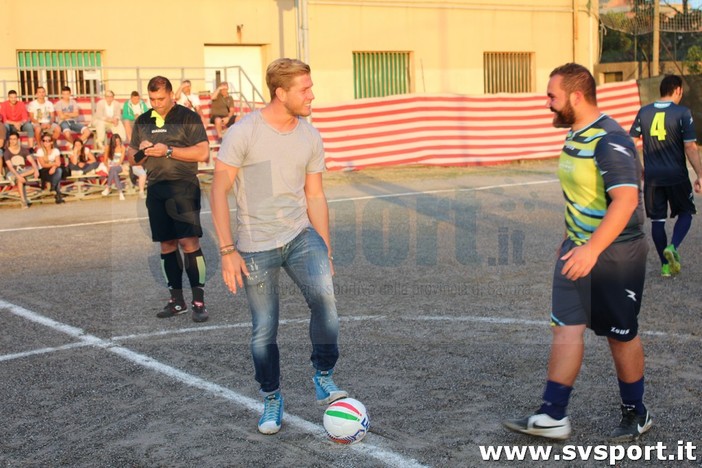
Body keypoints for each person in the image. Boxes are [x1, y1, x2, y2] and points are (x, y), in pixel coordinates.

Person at [503, 63, 650, 442]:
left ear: (576, 96)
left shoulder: (609, 139)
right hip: (578, 249)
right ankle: (553, 415)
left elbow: (625, 200)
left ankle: (637, 411)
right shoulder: (574, 135)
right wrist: (572, 237)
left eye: (552, 96)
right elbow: (582, 194)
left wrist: (592, 248)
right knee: (566, 329)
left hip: (614, 255)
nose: (547, 103)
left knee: (620, 335)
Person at [210, 58, 347, 435]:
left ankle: (323, 375)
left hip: (301, 236)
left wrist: (326, 250)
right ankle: (271, 397)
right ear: (280, 92)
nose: (312, 95)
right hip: (255, 246)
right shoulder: (244, 133)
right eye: (305, 89)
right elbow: (218, 191)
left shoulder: (310, 135)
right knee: (263, 329)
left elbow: (315, 196)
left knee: (327, 303)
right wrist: (226, 251)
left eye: (311, 87)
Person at [127, 75, 210, 323]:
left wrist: (169, 150)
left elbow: (203, 152)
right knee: (166, 245)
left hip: (183, 187)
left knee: (188, 242)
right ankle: (176, 301)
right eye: (152, 99)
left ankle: (198, 301)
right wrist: (142, 150)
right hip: (156, 189)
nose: (156, 103)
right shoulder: (143, 120)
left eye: (160, 99)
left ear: (171, 95)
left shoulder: (188, 117)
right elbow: (132, 158)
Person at [629, 75, 702, 277]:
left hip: (653, 178)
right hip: (676, 176)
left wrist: (639, 166)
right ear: (677, 90)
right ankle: (673, 247)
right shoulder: (682, 113)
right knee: (686, 213)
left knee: (657, 222)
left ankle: (665, 266)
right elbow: (690, 146)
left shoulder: (644, 112)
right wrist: (700, 174)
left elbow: (630, 143)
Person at [3, 131, 39, 208]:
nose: (12, 141)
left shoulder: (23, 150)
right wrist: (18, 176)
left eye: (14, 139)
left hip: (23, 171)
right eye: (11, 139)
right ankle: (23, 200)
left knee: (34, 169)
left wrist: (36, 170)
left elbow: (32, 161)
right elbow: (10, 167)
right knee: (19, 179)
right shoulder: (7, 152)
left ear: (18, 140)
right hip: (12, 172)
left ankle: (23, 200)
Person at [35, 133, 65, 204]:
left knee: (58, 171)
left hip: (54, 170)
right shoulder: (40, 151)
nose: (45, 142)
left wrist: (54, 167)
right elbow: (43, 164)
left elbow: (58, 163)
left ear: (51, 142)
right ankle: (57, 195)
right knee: (58, 173)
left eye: (48, 141)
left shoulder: (55, 150)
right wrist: (54, 164)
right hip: (43, 171)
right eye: (44, 140)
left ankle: (53, 188)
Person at [101, 134, 126, 200]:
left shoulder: (122, 147)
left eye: (118, 141)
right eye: (116, 142)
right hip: (109, 165)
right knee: (114, 172)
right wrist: (107, 166)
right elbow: (105, 159)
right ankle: (120, 193)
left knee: (114, 169)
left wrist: (117, 164)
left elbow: (121, 160)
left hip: (118, 165)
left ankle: (108, 187)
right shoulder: (108, 147)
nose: (117, 143)